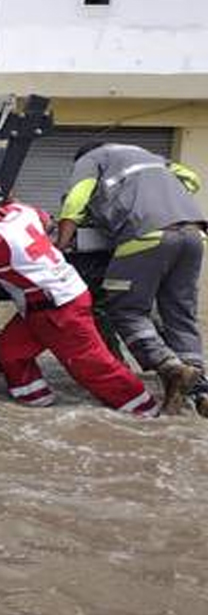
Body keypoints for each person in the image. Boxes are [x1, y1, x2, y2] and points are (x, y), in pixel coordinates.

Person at [0, 174, 161, 418]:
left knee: (92, 366)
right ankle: (35, 403)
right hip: (47, 301)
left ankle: (146, 411)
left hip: (57, 308)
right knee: (11, 351)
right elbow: (47, 223)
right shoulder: (22, 211)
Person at [56, 142, 208, 415]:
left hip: (144, 236)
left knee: (125, 309)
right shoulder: (150, 157)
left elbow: (76, 199)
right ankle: (200, 391)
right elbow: (191, 179)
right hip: (194, 234)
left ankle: (168, 366)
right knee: (180, 314)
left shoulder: (91, 159)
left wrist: (61, 244)